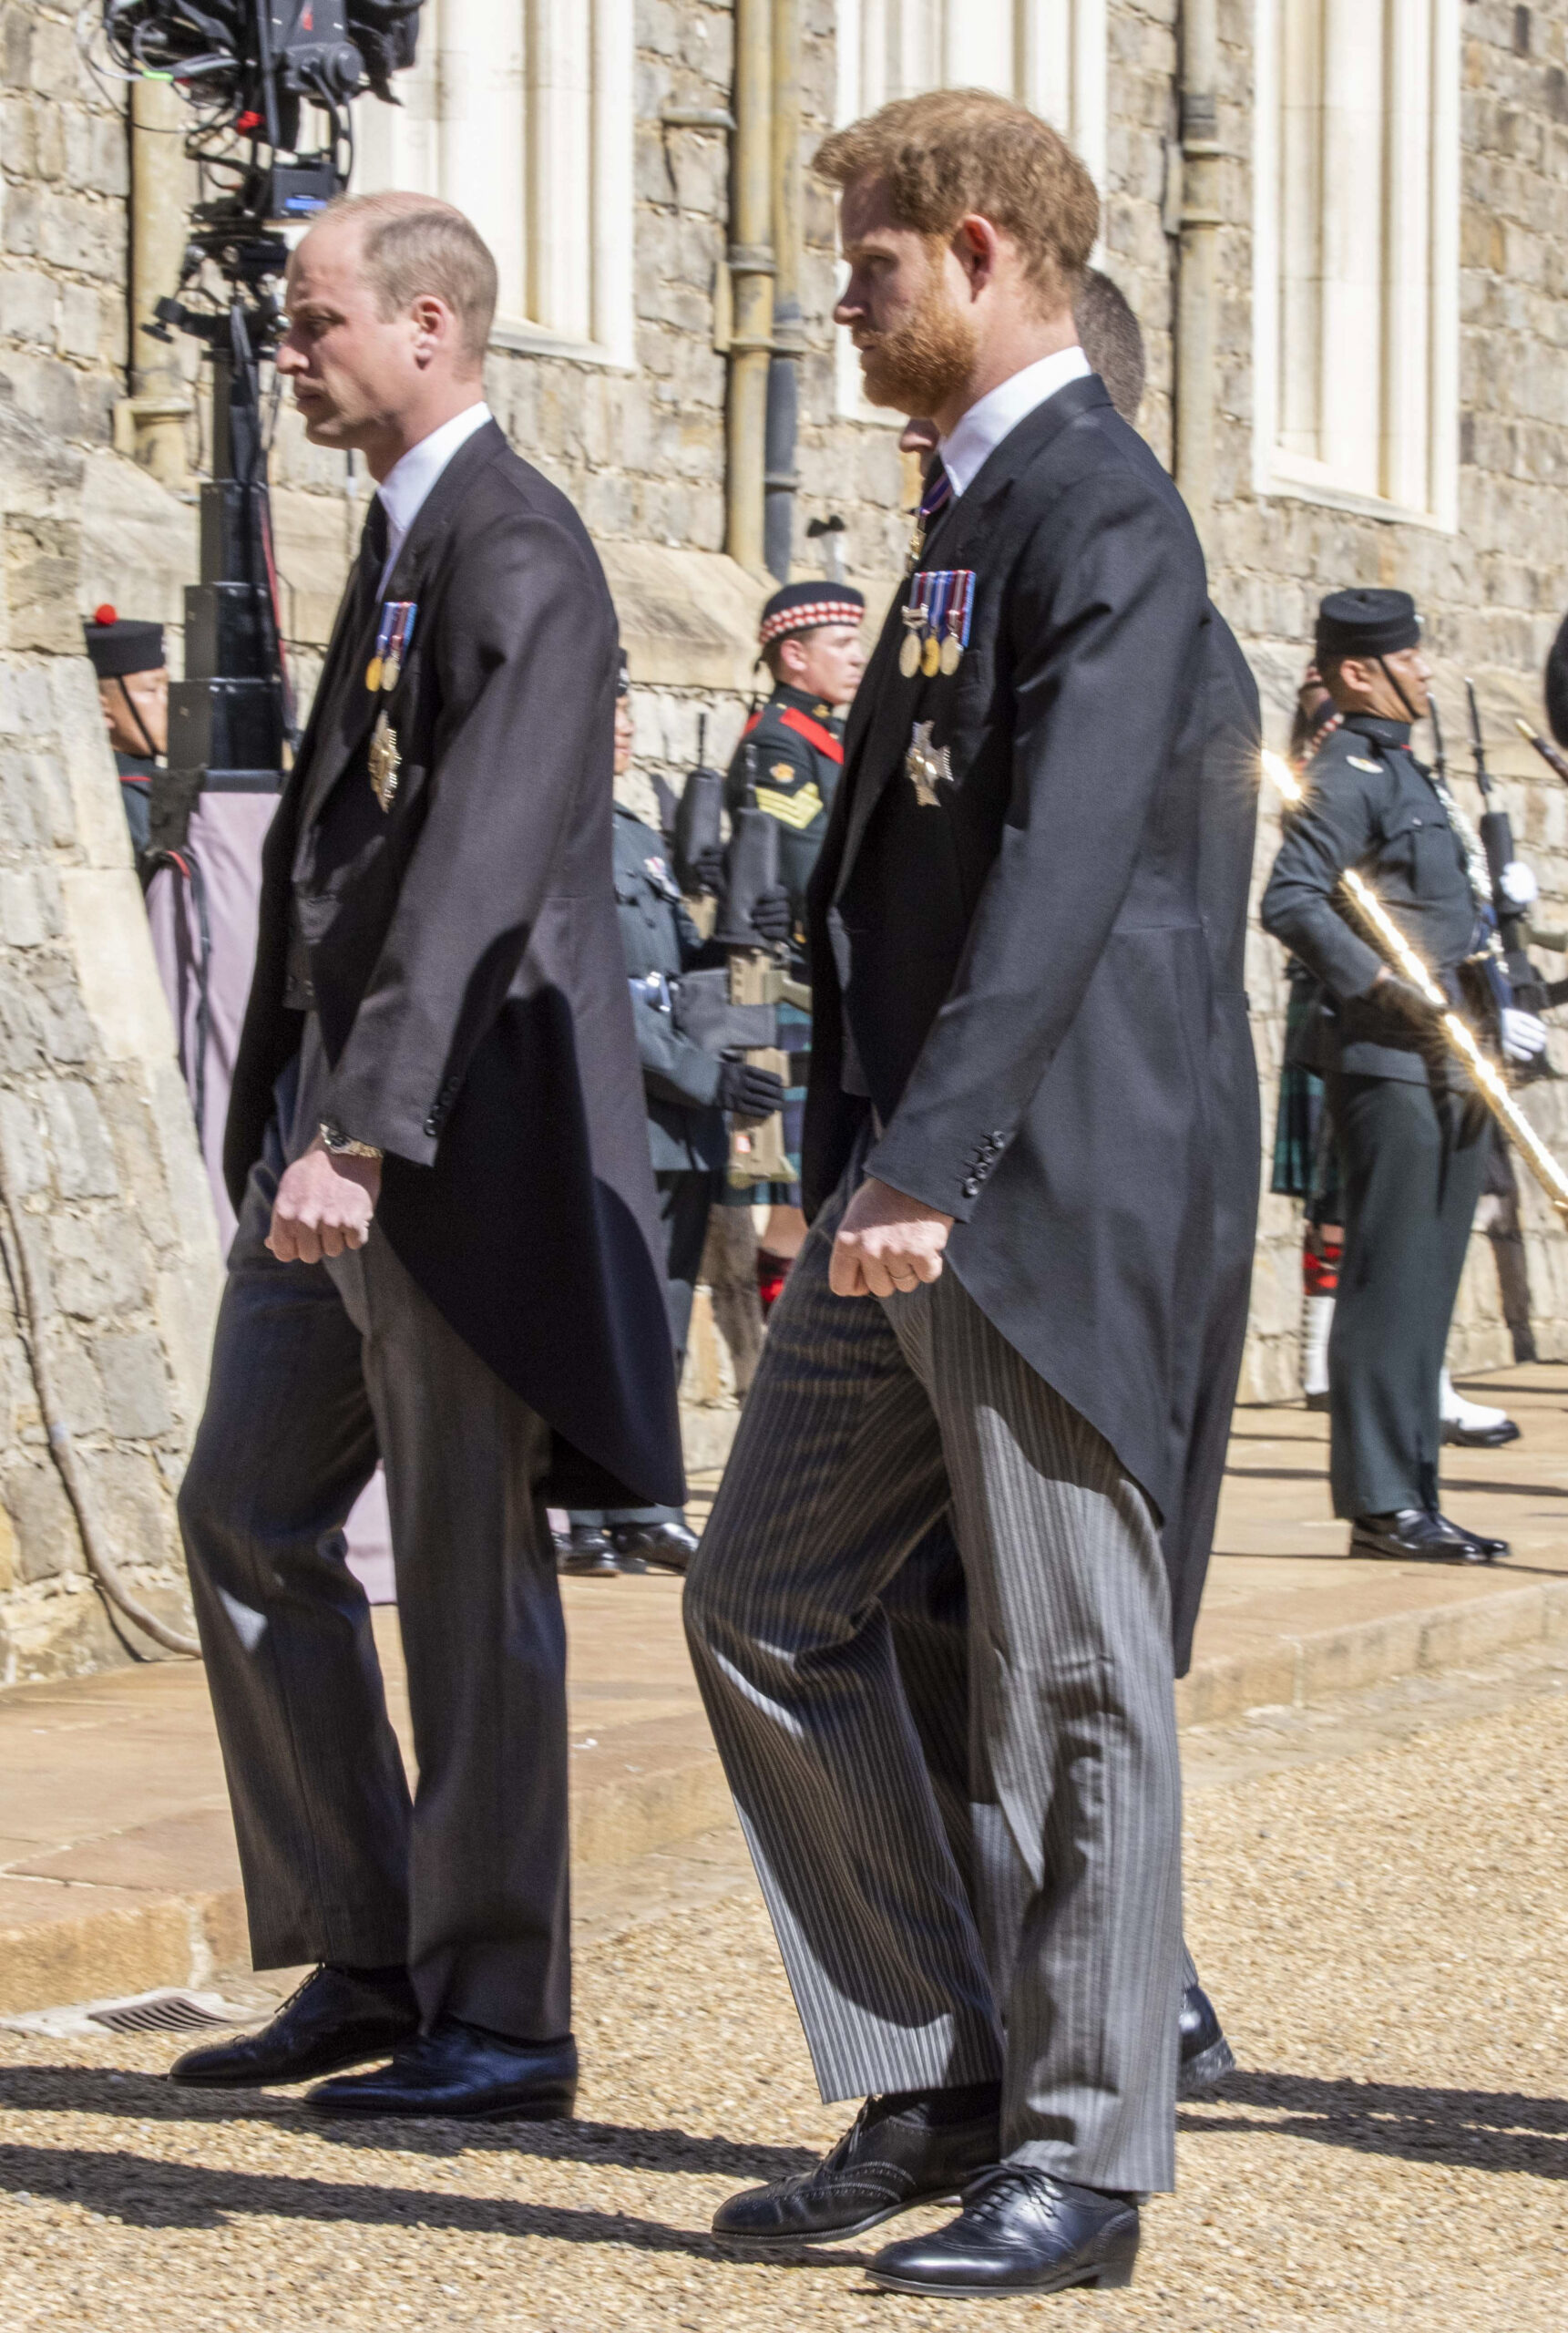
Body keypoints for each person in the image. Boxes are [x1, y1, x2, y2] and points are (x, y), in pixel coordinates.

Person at [685, 88, 1219, 2297]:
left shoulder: (1101, 512)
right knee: (761, 1598)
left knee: (1070, 1677)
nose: (838, 296)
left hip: (1027, 1184)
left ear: (981, 248)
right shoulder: (968, 512)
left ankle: (1081, 2156)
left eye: (871, 261)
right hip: (907, 1182)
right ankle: (937, 2049)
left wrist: (929, 1154)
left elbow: (1063, 864)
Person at [166, 190, 682, 2121]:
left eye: (312, 326)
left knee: (469, 1586)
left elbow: (470, 870)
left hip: (445, 1154)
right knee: (246, 1512)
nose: (287, 354)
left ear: (431, 324)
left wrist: (364, 1128)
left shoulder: (514, 548)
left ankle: (502, 2012)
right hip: (342, 1139)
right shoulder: (403, 538)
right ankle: (366, 1948)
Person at [1260, 589, 1532, 1566]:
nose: (1422, 670)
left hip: (1455, 1056)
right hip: (1389, 1056)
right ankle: (1378, 1499)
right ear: (1357, 671)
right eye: (1405, 658)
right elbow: (1287, 898)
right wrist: (1376, 983)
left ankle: (1413, 1491)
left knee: (1426, 1284)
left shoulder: (1407, 772)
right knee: (1385, 1281)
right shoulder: (1346, 771)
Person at [561, 659, 784, 1577]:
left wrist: (734, 926)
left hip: (677, 1121)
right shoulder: (556, 831)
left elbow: (671, 964)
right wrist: (704, 1074)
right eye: (600, 705)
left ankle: (645, 1502)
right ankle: (580, 1509)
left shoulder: (633, 830)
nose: (619, 721)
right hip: (614, 1106)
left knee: (661, 1311)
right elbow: (595, 996)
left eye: (621, 705)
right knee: (596, 1312)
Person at [722, 581, 866, 1299]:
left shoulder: (826, 734)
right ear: (792, 656)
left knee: (810, 1182)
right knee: (793, 1180)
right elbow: (801, 852)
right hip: (799, 969)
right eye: (840, 644)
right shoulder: (779, 739)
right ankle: (777, 1320)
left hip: (819, 969)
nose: (857, 657)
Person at [83, 605, 167, 872]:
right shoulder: (116, 797)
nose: (167, 702)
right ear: (103, 708)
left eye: (168, 687)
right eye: (151, 690)